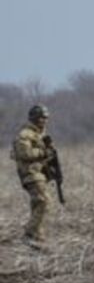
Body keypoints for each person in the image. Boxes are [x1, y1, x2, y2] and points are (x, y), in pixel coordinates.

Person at [11, 104, 55, 247]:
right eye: (42, 117)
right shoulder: (25, 134)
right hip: (30, 174)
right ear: (34, 118)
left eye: (46, 118)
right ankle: (29, 233)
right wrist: (43, 153)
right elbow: (24, 153)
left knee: (37, 204)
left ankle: (38, 236)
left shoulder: (39, 134)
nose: (44, 120)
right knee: (44, 201)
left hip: (38, 173)